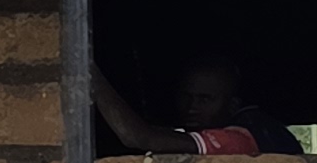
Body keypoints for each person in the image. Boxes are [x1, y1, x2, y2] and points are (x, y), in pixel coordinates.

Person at [92, 58, 301, 157]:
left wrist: (86, 70)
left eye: (205, 99)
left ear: (232, 105)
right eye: (186, 97)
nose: (192, 107)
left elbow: (136, 137)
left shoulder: (246, 136)